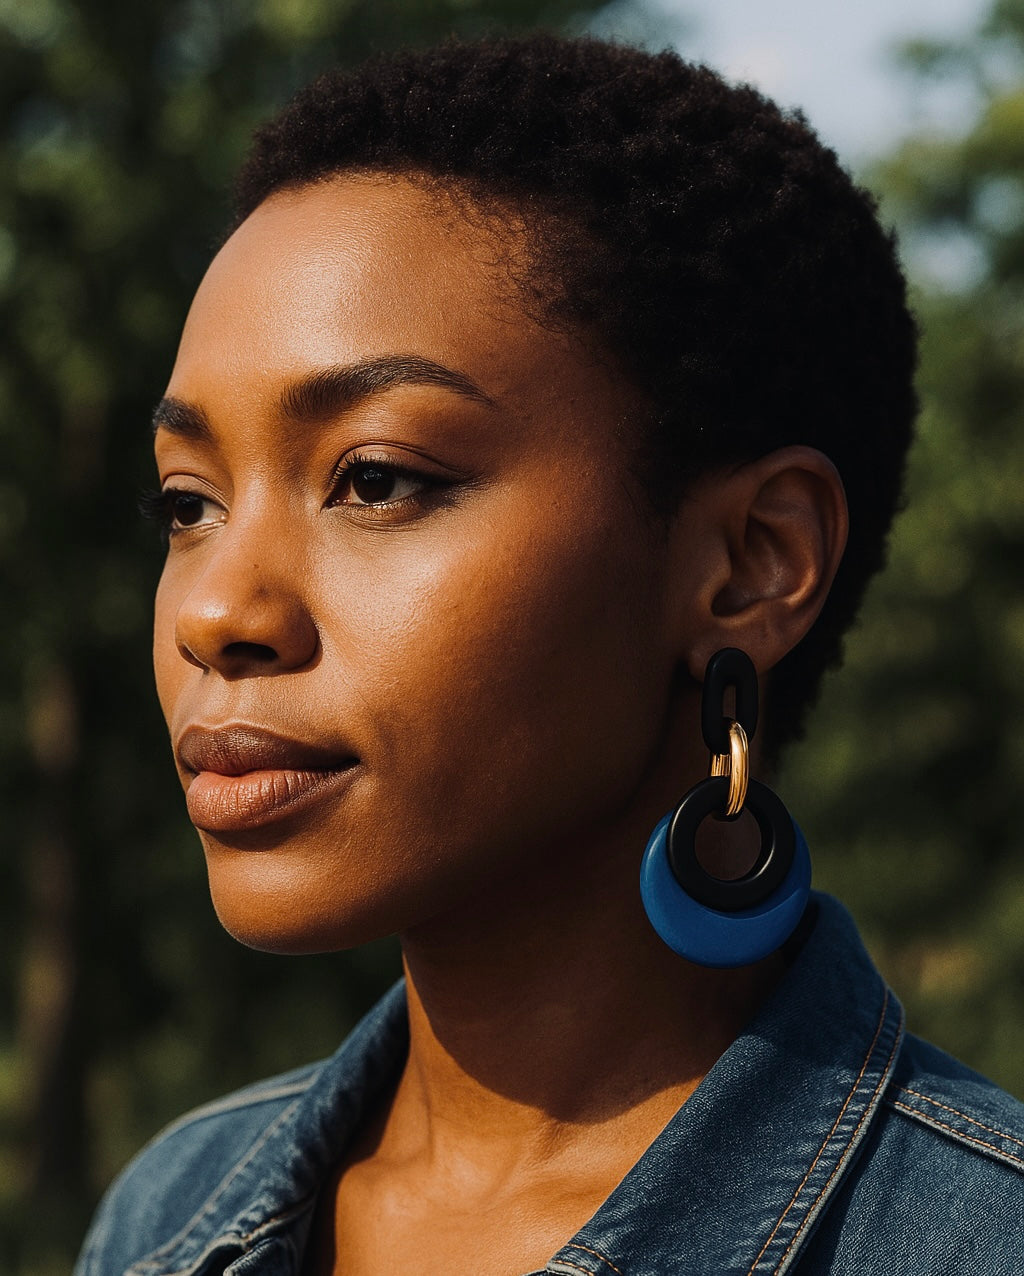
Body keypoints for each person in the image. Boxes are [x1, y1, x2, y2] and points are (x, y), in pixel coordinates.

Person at [75, 32, 1024, 1276]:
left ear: (750, 561)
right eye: (188, 502)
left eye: (375, 479)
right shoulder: (169, 1214)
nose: (217, 613)